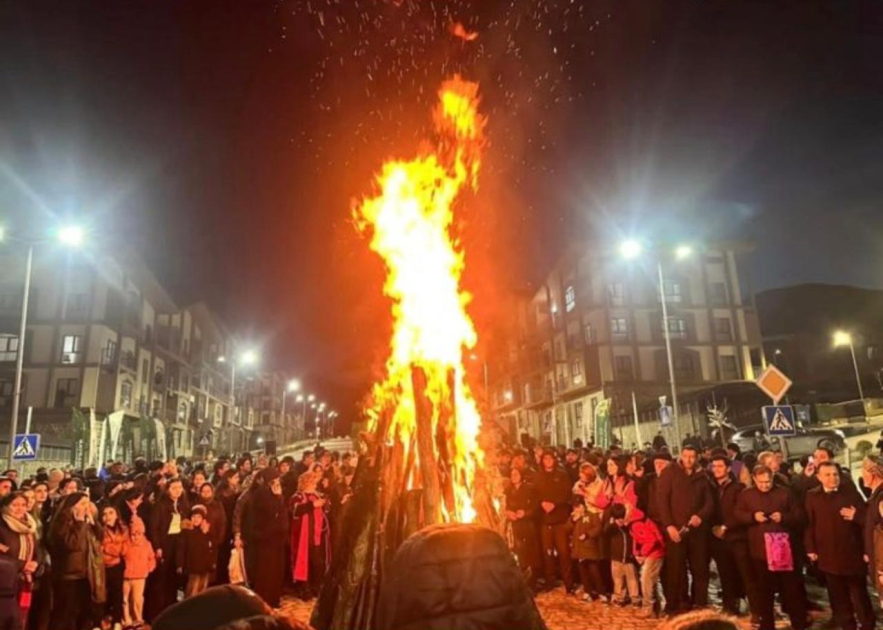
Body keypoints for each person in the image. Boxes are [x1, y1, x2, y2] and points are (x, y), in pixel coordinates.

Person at [734, 465, 806, 630]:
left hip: (784, 551)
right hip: (760, 552)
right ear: (754, 479)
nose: (765, 485)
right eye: (761, 482)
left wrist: (784, 517)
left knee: (791, 591)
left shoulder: (784, 493)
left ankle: (799, 624)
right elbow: (737, 514)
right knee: (764, 593)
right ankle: (767, 625)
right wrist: (752, 517)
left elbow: (800, 515)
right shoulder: (747, 495)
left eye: (768, 482)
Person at [805, 461, 874, 630]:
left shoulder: (850, 494)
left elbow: (868, 521)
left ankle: (867, 625)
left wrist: (857, 516)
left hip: (852, 554)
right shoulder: (812, 496)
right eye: (827, 475)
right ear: (819, 477)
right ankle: (847, 625)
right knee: (838, 598)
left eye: (835, 474)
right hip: (828, 556)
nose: (832, 478)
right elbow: (808, 524)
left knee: (860, 596)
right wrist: (811, 548)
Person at [657, 445, 714, 614]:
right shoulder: (670, 472)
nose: (688, 460)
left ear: (696, 457)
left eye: (692, 456)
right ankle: (679, 602)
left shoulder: (703, 475)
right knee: (676, 569)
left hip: (697, 531)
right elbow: (662, 501)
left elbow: (709, 502)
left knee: (700, 567)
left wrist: (701, 516)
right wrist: (669, 525)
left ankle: (699, 601)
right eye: (686, 456)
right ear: (681, 455)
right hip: (676, 530)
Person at [47, 492, 106, 630]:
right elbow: (72, 545)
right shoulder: (63, 520)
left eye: (87, 503)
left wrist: (93, 523)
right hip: (69, 574)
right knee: (66, 612)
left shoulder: (86, 521)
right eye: (82, 504)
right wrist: (79, 523)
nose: (86, 507)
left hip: (86, 572)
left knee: (84, 611)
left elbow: (100, 538)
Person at [708, 454, 755, 618]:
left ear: (728, 469)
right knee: (725, 574)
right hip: (719, 540)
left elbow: (739, 511)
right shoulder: (712, 488)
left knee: (746, 574)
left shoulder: (738, 488)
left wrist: (725, 526)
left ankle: (756, 609)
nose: (716, 470)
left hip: (737, 537)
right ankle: (730, 606)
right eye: (714, 466)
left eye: (720, 466)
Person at [147, 477, 190, 620]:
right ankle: (159, 610)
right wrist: (158, 546)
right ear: (167, 490)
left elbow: (185, 525)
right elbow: (154, 527)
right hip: (165, 542)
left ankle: (172, 607)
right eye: (174, 488)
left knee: (174, 575)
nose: (177, 491)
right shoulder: (160, 505)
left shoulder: (184, 505)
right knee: (161, 578)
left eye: (179, 487)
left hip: (179, 543)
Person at [533, 450, 574, 594]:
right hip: (545, 520)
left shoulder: (562, 475)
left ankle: (568, 583)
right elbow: (534, 494)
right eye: (545, 459)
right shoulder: (538, 476)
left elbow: (566, 493)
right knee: (547, 553)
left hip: (559, 519)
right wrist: (541, 503)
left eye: (550, 458)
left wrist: (555, 504)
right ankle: (550, 581)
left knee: (564, 553)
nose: (548, 461)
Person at [569, 463, 608, 602]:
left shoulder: (600, 484)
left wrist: (586, 493)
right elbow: (574, 491)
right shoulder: (581, 483)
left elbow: (601, 503)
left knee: (594, 557)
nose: (581, 477)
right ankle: (588, 589)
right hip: (583, 519)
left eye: (583, 475)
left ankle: (601, 589)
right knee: (583, 557)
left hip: (595, 518)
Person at [0, 492, 39, 628]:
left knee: (20, 618)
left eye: (23, 505)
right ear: (5, 507)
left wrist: (35, 563)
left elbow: (35, 551)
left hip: (24, 580)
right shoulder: (2, 526)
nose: (20, 508)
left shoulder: (30, 526)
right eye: (15, 505)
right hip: (4, 584)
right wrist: (22, 565)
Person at [289, 470, 330, 600]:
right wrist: (312, 505)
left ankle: (315, 588)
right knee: (303, 563)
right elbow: (295, 511)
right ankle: (304, 590)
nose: (314, 485)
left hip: (315, 536)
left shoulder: (316, 495)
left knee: (316, 563)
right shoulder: (297, 497)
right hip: (302, 537)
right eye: (312, 482)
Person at [250, 470, 288, 608]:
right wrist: (277, 498)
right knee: (266, 572)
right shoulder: (261, 494)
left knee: (276, 571)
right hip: (265, 538)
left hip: (277, 539)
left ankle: (274, 598)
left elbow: (282, 512)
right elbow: (271, 513)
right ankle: (264, 601)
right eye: (275, 481)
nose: (278, 484)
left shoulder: (277, 494)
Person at [504, 467, 542, 589]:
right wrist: (508, 513)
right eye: (512, 474)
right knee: (515, 551)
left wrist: (525, 513)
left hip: (527, 525)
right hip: (513, 524)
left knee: (528, 553)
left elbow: (536, 506)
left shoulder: (529, 489)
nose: (513, 476)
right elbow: (504, 505)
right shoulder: (508, 490)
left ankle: (531, 582)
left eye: (516, 474)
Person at [631, 506, 665, 618]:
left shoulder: (637, 523)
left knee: (646, 580)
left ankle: (648, 608)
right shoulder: (640, 521)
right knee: (651, 581)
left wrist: (642, 555)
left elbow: (651, 540)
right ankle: (657, 609)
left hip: (655, 553)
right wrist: (637, 553)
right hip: (655, 552)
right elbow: (636, 540)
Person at [122, 517, 156, 629]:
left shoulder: (147, 545)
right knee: (125, 599)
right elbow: (122, 553)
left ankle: (138, 618)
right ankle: (127, 619)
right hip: (127, 576)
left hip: (140, 576)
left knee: (137, 599)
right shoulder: (126, 544)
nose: (136, 537)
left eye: (139, 534)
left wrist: (149, 568)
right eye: (133, 534)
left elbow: (152, 558)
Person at [100, 505, 129, 628]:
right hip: (103, 566)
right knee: (102, 596)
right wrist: (115, 548)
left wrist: (109, 548)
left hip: (118, 565)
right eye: (105, 513)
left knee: (117, 594)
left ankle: (117, 620)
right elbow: (101, 547)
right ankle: (102, 620)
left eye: (111, 512)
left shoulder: (123, 529)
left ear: (116, 514)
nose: (108, 516)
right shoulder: (100, 530)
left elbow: (125, 548)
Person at [179, 505, 216, 599]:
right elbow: (181, 549)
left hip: (205, 566)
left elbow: (211, 549)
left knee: (202, 589)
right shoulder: (186, 532)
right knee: (192, 590)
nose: (196, 519)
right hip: (192, 566)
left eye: (199, 517)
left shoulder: (206, 532)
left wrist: (212, 563)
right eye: (193, 517)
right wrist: (179, 564)